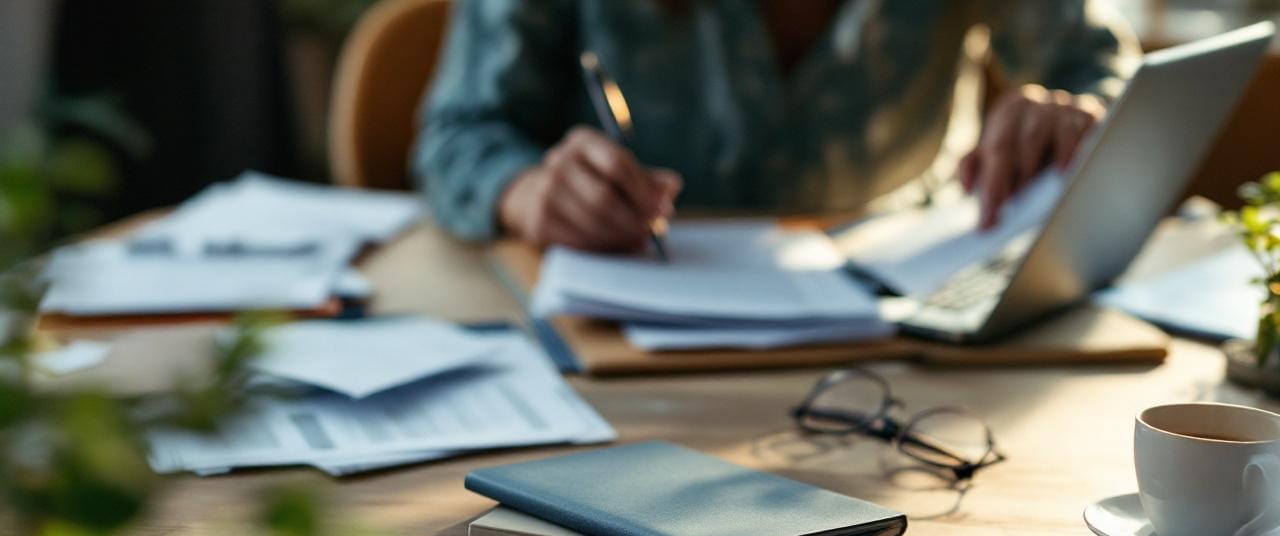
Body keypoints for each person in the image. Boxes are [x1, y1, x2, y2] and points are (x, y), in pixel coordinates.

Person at [415, 0, 1139, 252]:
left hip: (903, 326)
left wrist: (1074, 116)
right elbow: (458, 132)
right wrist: (526, 190)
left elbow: (1098, 69)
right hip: (625, 344)